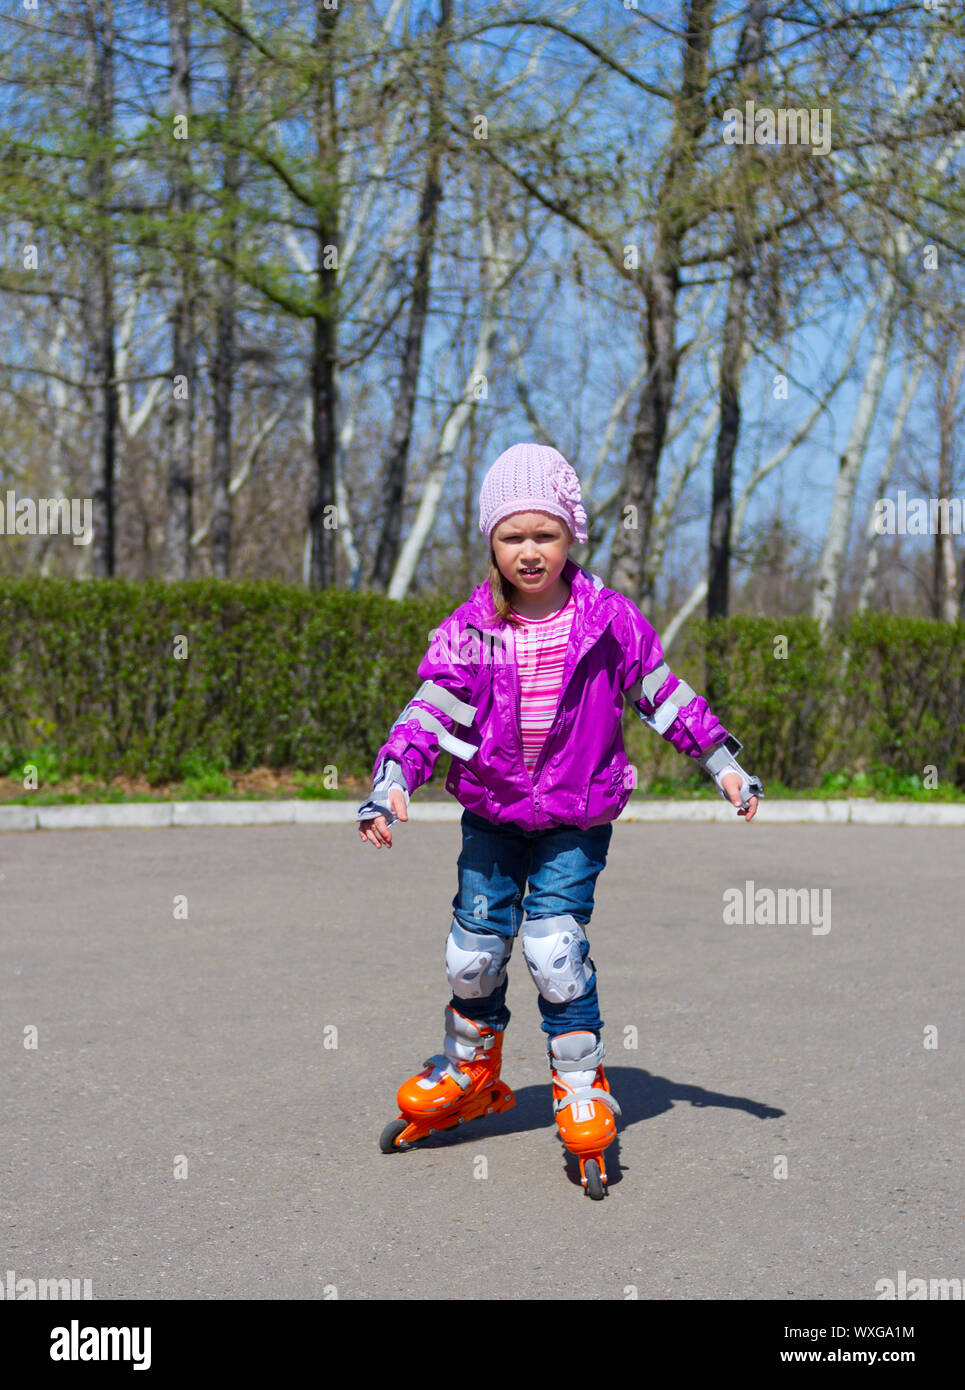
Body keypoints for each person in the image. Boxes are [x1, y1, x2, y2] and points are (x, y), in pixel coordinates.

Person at [357, 442, 763, 1198]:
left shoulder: (609, 620)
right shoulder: (470, 627)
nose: (529, 551)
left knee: (552, 948)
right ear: (490, 543)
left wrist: (721, 761)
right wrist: (391, 779)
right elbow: (428, 712)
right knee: (471, 955)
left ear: (570, 534)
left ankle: (580, 1083)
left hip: (576, 816)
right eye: (511, 537)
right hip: (492, 814)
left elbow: (663, 695)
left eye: (543, 534)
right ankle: (470, 1073)